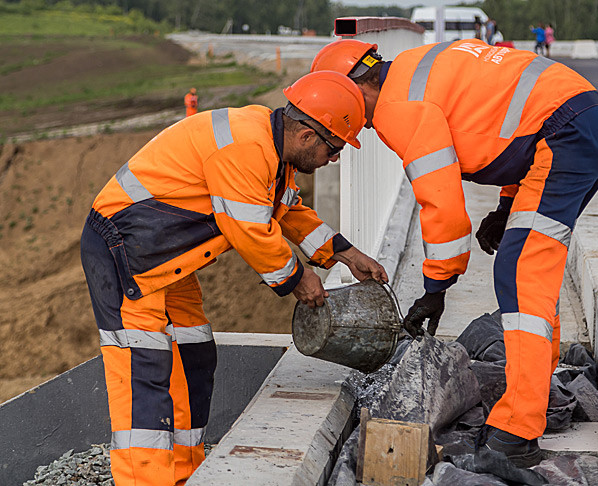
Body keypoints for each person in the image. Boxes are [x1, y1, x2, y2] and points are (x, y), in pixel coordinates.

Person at [310, 39, 598, 467]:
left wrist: (435, 287)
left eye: (343, 111)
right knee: (533, 265)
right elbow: (509, 116)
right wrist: (506, 207)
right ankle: (535, 393)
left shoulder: (398, 108)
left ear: (352, 89)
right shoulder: (415, 66)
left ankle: (518, 430)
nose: (355, 128)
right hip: (585, 122)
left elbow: (442, 204)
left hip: (566, 134)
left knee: (519, 270)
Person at [79, 71, 388, 486]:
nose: (334, 159)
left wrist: (344, 252)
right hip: (127, 254)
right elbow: (249, 229)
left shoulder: (271, 147)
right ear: (307, 136)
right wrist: (300, 280)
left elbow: (284, 210)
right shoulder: (246, 147)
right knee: (144, 371)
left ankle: (183, 472)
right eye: (334, 149)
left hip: (161, 256)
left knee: (194, 355)